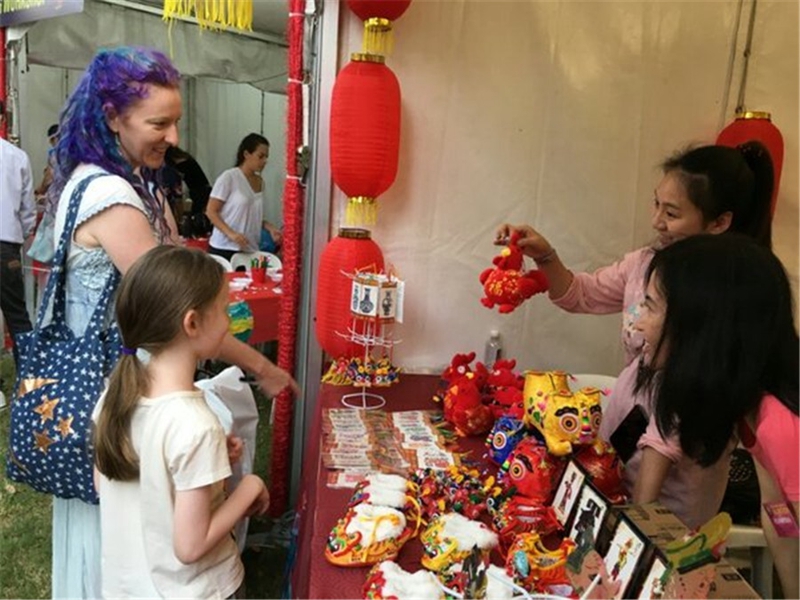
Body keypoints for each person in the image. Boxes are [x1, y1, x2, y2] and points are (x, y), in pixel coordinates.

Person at [46, 46, 297, 599]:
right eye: (158, 122)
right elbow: (176, 303)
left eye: (176, 120)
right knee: (143, 542)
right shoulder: (112, 195)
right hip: (126, 398)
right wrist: (262, 366)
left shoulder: (136, 184)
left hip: (130, 400)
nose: (174, 136)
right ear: (112, 117)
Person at [497, 141, 773, 528]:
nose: (657, 221)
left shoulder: (724, 300)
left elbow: (672, 430)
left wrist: (636, 524)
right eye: (656, 204)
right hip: (620, 461)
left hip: (668, 505)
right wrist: (545, 257)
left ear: (719, 223)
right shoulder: (646, 263)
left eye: (672, 213)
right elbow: (582, 292)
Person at [93, 246, 270, 598]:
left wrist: (213, 462)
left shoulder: (115, 395)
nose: (228, 320)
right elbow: (190, 546)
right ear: (192, 322)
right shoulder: (195, 424)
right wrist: (250, 485)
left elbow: (109, 484)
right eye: (223, 309)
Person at [635, 234, 798, 597]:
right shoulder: (749, 408)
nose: (637, 322)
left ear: (703, 328)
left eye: (649, 306)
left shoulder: (782, 425)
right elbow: (779, 517)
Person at [206, 133, 283, 261]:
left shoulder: (260, 181)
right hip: (225, 247)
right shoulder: (229, 177)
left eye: (266, 157)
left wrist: (269, 227)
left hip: (249, 248)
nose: (264, 161)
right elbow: (211, 211)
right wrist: (231, 234)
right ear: (246, 154)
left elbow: (251, 215)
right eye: (260, 156)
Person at [0, 100, 36, 365]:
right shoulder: (17, 157)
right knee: (17, 315)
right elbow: (28, 210)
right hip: (7, 244)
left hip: (8, 241)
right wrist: (18, 235)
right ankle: (29, 380)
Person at [34, 123, 59, 199]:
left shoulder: (55, 154)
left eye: (52, 140)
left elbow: (48, 178)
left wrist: (37, 192)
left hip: (57, 198)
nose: (51, 143)